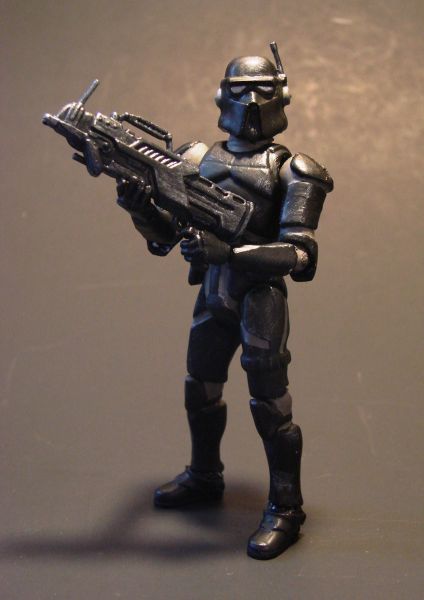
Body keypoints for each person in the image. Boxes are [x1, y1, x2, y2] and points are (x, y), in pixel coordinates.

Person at [117, 47, 333, 560]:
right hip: (214, 292)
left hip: (260, 298)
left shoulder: (294, 169)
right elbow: (166, 237)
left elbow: (300, 254)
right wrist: (140, 209)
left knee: (270, 406)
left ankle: (286, 508)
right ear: (221, 94)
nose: (251, 101)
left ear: (282, 95)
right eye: (241, 90)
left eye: (262, 89)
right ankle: (204, 475)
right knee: (201, 387)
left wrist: (231, 253)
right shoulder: (194, 160)